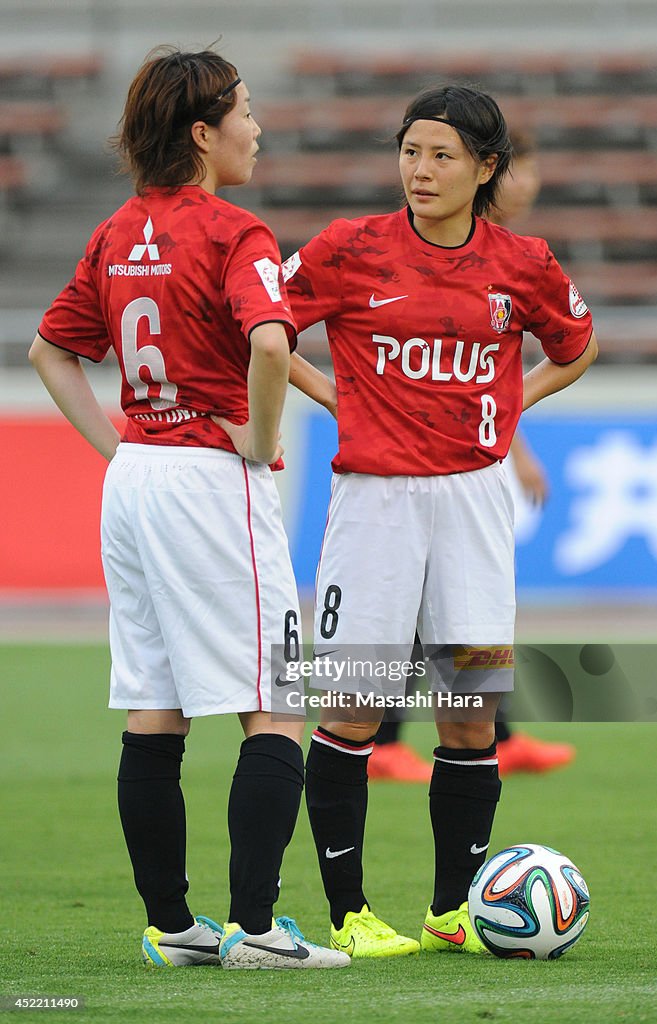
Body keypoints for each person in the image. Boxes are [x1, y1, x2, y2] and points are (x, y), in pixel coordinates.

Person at [28, 47, 348, 971]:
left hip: (135, 484)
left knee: (156, 709)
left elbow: (53, 352)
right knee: (278, 704)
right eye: (245, 111)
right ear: (204, 133)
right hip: (210, 483)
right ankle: (254, 929)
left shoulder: (117, 228)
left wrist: (119, 447)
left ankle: (173, 927)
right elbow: (270, 336)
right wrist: (257, 439)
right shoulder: (234, 233)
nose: (259, 127)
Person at [282, 83, 597, 958]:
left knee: (468, 714)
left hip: (473, 504)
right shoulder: (348, 249)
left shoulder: (522, 261)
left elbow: (576, 346)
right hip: (374, 504)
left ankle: (451, 910)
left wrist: (508, 401)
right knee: (351, 707)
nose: (419, 171)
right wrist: (330, 396)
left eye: (441, 156)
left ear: (484, 168)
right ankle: (348, 912)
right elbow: (263, 325)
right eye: (410, 151)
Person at [367, 129, 574, 782]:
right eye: (518, 168)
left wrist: (508, 430)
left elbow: (486, 374)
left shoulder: (511, 259)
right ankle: (384, 738)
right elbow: (449, 371)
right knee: (430, 600)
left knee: (455, 603)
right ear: (488, 171)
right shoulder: (432, 250)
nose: (526, 182)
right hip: (409, 462)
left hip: (465, 458)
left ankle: (487, 730)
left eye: (533, 169)